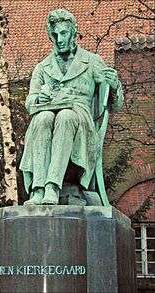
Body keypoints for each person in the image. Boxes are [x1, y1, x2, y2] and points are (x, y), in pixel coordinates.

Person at [20, 9, 123, 205]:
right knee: (42, 118)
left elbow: (115, 105)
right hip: (48, 116)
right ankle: (38, 189)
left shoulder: (92, 61)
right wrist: (39, 98)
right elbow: (29, 102)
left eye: (64, 33)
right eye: (55, 35)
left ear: (74, 34)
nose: (59, 39)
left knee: (66, 116)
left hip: (81, 123)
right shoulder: (42, 67)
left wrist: (115, 85)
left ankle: (52, 187)